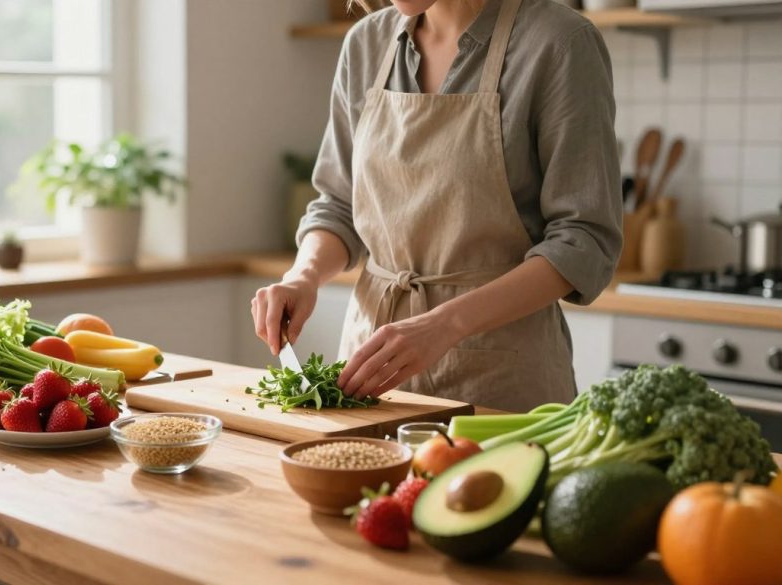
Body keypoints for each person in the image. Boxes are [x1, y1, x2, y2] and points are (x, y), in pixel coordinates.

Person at [251, 0, 622, 412]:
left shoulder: (559, 42)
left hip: (501, 381)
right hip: (371, 371)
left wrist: (445, 324)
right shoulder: (366, 43)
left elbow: (583, 241)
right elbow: (339, 204)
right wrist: (303, 276)